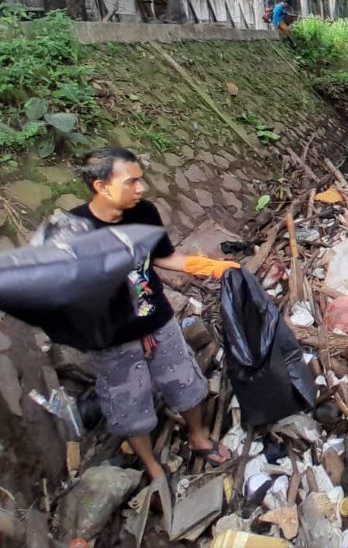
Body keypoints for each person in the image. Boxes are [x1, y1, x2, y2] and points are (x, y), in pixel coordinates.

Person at [70, 147, 241, 481]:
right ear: (101, 186)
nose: (141, 188)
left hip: (157, 317)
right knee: (129, 401)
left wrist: (209, 267)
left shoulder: (145, 212)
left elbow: (164, 257)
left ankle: (198, 437)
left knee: (184, 381)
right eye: (131, 181)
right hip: (112, 336)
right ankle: (151, 464)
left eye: (141, 180)